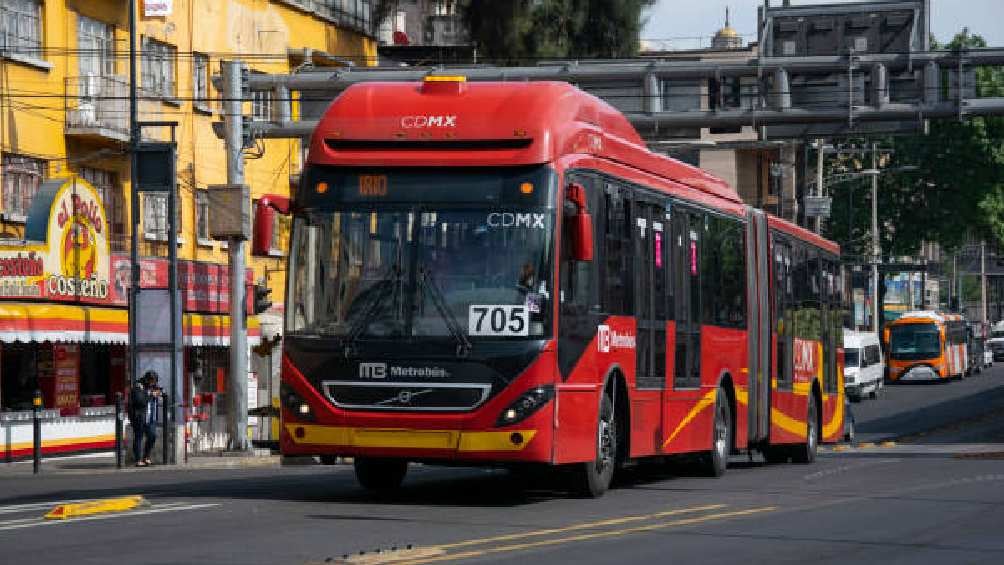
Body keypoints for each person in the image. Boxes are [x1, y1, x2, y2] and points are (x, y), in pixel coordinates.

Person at [128, 371, 160, 467]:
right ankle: (138, 459)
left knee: (152, 436)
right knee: (139, 437)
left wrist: (158, 392)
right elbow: (139, 401)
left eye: (154, 382)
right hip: (139, 416)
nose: (153, 384)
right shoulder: (138, 386)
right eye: (152, 382)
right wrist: (150, 395)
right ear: (148, 380)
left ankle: (146, 457)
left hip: (150, 417)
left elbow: (159, 391)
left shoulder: (152, 387)